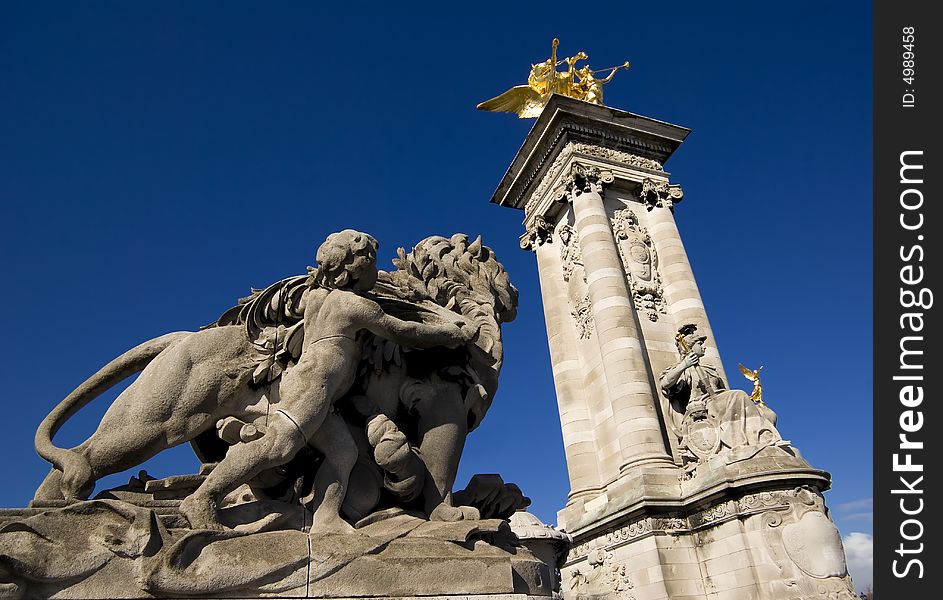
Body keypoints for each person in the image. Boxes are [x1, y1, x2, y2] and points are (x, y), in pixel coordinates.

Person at [179, 230, 473, 532]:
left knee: (343, 453)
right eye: (373, 263)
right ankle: (204, 497)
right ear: (359, 267)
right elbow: (404, 331)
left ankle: (325, 518)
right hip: (313, 390)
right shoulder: (353, 305)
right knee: (278, 446)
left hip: (316, 390)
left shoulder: (317, 297)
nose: (376, 271)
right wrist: (451, 333)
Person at [659, 324, 781, 454]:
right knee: (738, 395)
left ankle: (763, 439)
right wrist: (685, 364)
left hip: (720, 401)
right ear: (690, 347)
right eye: (700, 344)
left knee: (767, 412)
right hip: (704, 406)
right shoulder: (685, 369)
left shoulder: (709, 369)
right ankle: (753, 440)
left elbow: (724, 391)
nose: (704, 347)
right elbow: (665, 383)